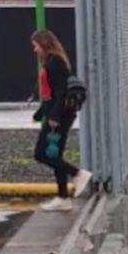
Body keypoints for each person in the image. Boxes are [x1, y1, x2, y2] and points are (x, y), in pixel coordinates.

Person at [31, 30, 91, 212]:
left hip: (59, 117)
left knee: (41, 154)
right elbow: (52, 94)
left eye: (35, 45)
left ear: (44, 44)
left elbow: (61, 92)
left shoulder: (54, 62)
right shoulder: (54, 61)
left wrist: (54, 117)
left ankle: (78, 174)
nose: (34, 50)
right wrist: (40, 114)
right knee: (54, 154)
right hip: (57, 114)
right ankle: (63, 197)